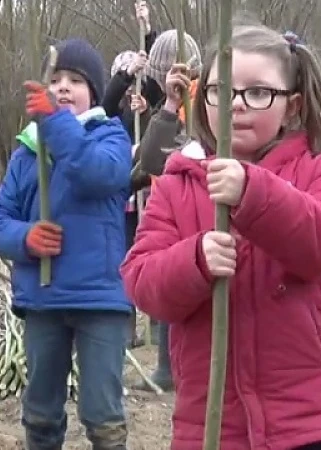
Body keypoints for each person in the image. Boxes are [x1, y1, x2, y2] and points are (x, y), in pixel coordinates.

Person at [120, 24, 321, 449]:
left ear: (292, 106)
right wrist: (194, 260)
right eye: (221, 91)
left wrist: (253, 193)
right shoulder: (177, 183)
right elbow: (142, 281)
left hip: (305, 423)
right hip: (212, 426)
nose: (236, 105)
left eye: (257, 93)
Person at [0, 38, 133, 449]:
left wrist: (56, 125)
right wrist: (25, 238)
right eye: (56, 80)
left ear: (95, 94)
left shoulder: (112, 138)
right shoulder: (26, 153)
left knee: (102, 414)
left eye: (75, 80)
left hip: (100, 299)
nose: (64, 87)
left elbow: (95, 174)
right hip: (43, 298)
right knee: (42, 412)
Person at [129, 29, 202, 393]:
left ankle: (173, 366)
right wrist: (168, 108)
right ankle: (166, 366)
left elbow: (163, 157)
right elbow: (150, 159)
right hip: (166, 206)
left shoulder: (204, 101)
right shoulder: (170, 104)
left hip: (192, 209)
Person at [102, 0, 163, 350]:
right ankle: (126, 324)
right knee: (123, 259)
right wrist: (125, 79)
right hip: (121, 197)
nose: (130, 92)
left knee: (152, 253)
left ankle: (157, 321)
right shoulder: (110, 113)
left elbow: (156, 77)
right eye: (125, 81)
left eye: (133, 82)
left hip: (147, 194)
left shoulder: (147, 102)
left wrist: (147, 26)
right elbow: (108, 103)